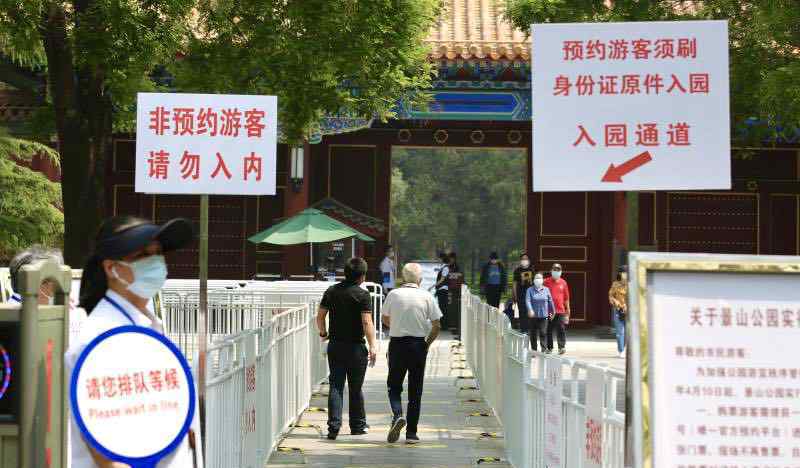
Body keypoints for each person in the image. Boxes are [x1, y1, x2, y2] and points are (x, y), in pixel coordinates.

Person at [64, 215, 201, 467]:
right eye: (141, 255)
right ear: (111, 268)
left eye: (158, 253)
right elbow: (106, 453)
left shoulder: (146, 324)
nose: (156, 262)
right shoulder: (99, 340)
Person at [316, 257, 378, 440]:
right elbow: (367, 322)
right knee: (355, 387)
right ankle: (357, 426)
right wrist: (373, 345)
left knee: (335, 386)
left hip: (335, 345)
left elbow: (319, 317)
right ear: (362, 277)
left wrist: (323, 333)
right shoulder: (362, 295)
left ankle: (333, 427)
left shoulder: (331, 291)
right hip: (356, 348)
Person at [381, 263, 442, 444]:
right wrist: (426, 344)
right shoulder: (427, 296)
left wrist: (398, 326)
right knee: (416, 391)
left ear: (402, 278)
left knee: (394, 386)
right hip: (418, 345)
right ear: (420, 279)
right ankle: (412, 433)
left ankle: (398, 414)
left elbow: (385, 318)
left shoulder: (394, 294)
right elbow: (437, 325)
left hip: (398, 344)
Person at [545, 263, 571, 355]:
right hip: (549, 310)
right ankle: (549, 347)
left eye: (558, 270)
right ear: (551, 270)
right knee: (549, 329)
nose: (556, 271)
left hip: (560, 310)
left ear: (561, 271)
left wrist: (568, 310)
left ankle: (561, 347)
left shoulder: (563, 283)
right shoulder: (546, 282)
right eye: (554, 269)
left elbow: (566, 298)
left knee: (561, 328)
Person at [525, 272, 555, 352]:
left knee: (543, 333)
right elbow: (527, 301)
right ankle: (534, 350)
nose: (538, 280)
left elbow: (550, 301)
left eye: (539, 278)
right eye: (536, 278)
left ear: (542, 280)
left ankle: (543, 350)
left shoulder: (546, 289)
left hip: (544, 316)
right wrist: (530, 310)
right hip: (533, 316)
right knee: (533, 334)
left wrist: (553, 311)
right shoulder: (530, 290)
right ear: (534, 280)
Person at [512, 253, 535, 333]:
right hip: (521, 294)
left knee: (530, 311)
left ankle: (530, 329)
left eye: (526, 259)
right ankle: (523, 329)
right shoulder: (517, 270)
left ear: (528, 260)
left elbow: (535, 283)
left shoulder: (532, 269)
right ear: (520, 260)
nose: (524, 260)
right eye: (523, 259)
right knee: (522, 312)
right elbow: (514, 284)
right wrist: (514, 295)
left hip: (531, 295)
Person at [609, 266, 628, 358]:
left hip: (629, 311)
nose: (625, 274)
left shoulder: (632, 284)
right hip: (618, 310)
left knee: (628, 331)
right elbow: (610, 296)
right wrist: (615, 302)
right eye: (623, 272)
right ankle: (621, 350)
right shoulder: (615, 284)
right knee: (620, 332)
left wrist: (627, 305)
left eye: (626, 272)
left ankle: (626, 348)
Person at [433, 252, 450, 329]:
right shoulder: (442, 267)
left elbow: (442, 279)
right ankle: (443, 324)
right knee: (441, 307)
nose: (438, 259)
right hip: (441, 289)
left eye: (439, 258)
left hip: (443, 289)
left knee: (443, 307)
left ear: (442, 259)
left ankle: (444, 325)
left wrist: (433, 285)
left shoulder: (445, 268)